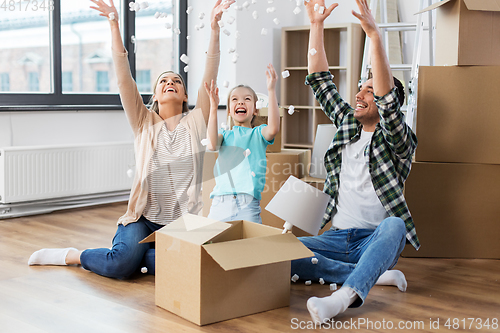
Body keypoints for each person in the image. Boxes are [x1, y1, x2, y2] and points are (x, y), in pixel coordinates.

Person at [27, 0, 235, 279]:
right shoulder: (143, 121)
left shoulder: (196, 121)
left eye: (177, 81)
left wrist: (214, 28)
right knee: (120, 266)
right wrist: (114, 23)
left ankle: (137, 254)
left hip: (183, 223)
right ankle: (74, 255)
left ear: (186, 95)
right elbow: (124, 79)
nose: (170, 82)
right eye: (163, 81)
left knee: (200, 262)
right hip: (142, 219)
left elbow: (211, 75)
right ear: (155, 95)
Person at [290, 0, 420, 323]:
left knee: (396, 226)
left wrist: (374, 37)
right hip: (335, 236)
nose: (359, 96)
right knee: (278, 253)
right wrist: (316, 26)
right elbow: (320, 81)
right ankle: (370, 275)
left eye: (369, 90)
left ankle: (342, 298)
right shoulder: (348, 124)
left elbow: (389, 105)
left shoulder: (400, 140)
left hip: (374, 239)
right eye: (360, 89)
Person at [204, 64, 280, 224]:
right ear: (230, 111)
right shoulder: (224, 135)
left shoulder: (258, 133)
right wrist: (213, 107)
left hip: (248, 204)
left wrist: (271, 91)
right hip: (221, 202)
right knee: (211, 245)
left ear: (255, 110)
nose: (241, 102)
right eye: (235, 99)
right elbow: (211, 144)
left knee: (250, 246)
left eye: (247, 99)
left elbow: (273, 129)